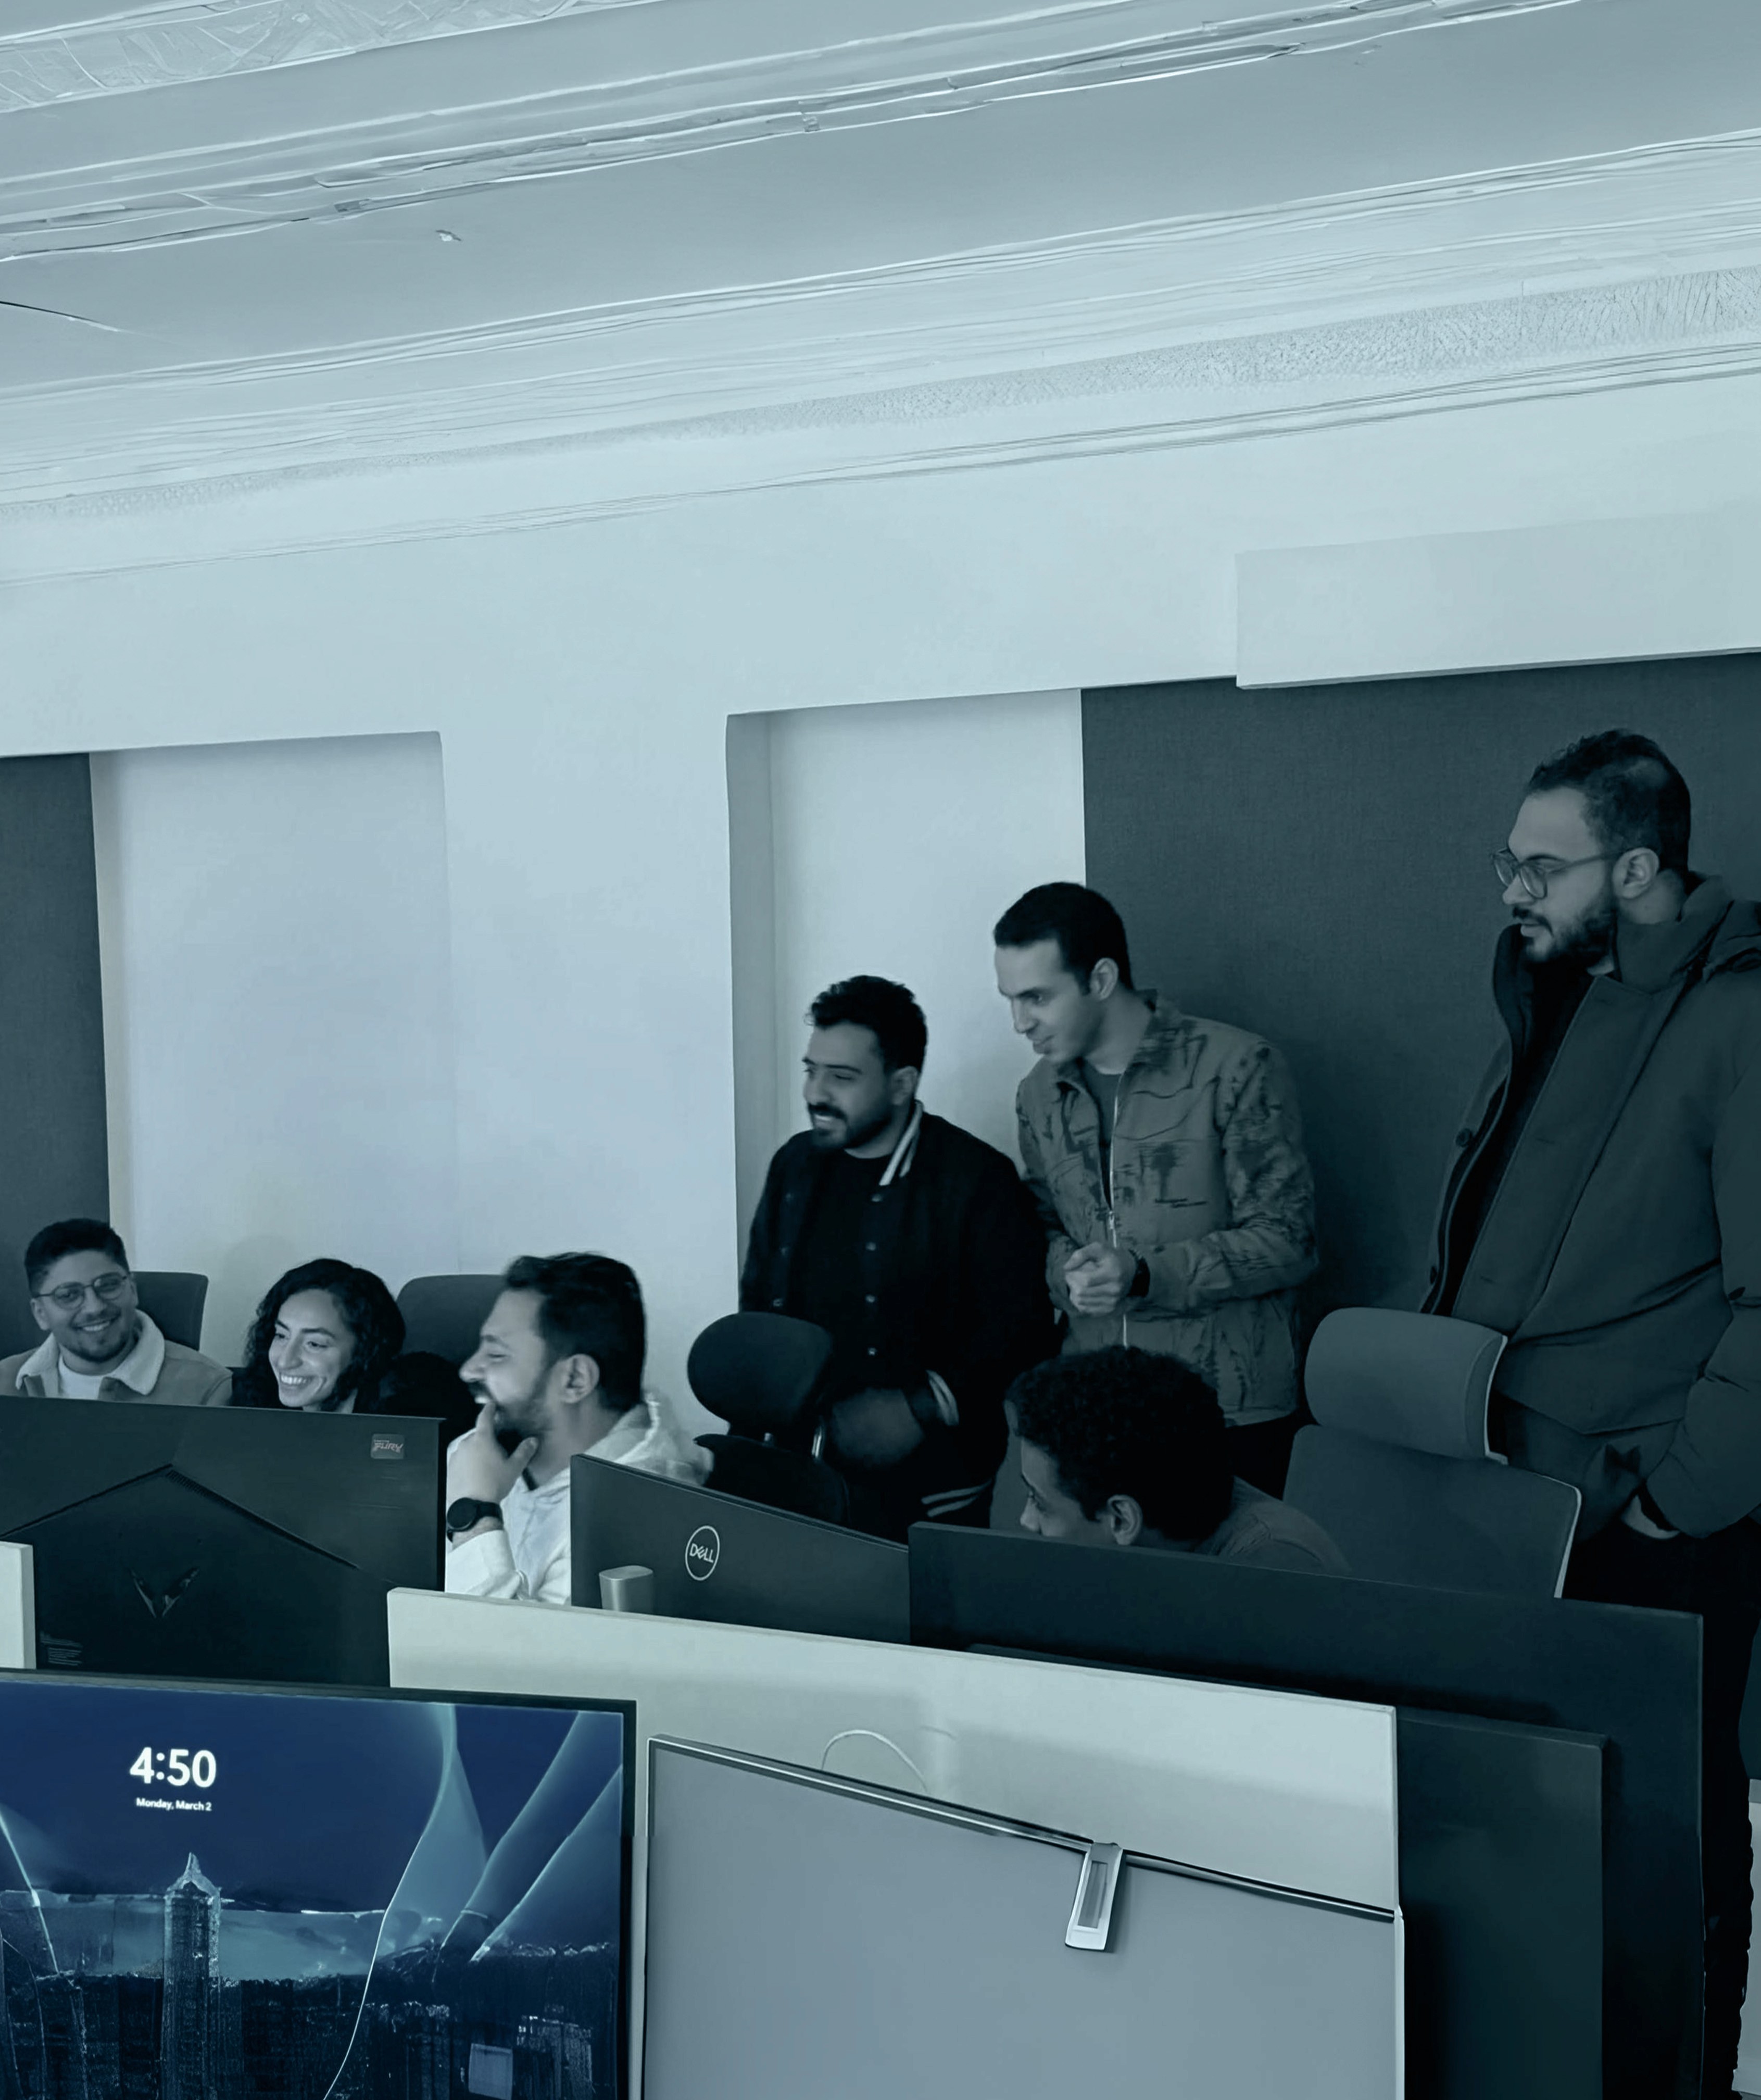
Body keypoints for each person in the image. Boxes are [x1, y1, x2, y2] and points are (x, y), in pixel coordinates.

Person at [1423, 729, 1761, 2100]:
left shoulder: (1738, 1015)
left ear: (1634, 866)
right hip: (1508, 1494)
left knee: (1668, 1849)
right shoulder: (1550, 993)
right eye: (1505, 858)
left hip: (1648, 1513)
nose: (1510, 888)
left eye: (1538, 864)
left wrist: (1678, 1496)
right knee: (1538, 1839)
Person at [996, 883, 1317, 1496]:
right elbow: (1039, 1225)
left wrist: (1143, 1274)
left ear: (1100, 979)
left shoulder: (1237, 1066)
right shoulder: (1037, 1093)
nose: (1019, 1022)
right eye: (1010, 1000)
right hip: (1096, 1409)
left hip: (1228, 1412)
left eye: (1036, 997)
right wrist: (1066, 1268)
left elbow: (1289, 1240)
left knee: (1227, 1592)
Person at [740, 975, 1055, 1541]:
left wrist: (919, 1407)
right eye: (811, 1070)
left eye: (841, 1077)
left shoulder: (974, 1179)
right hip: (796, 1469)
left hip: (930, 1487)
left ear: (901, 1083)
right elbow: (760, 1300)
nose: (815, 1093)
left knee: (913, 1626)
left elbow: (1023, 1330)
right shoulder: (795, 1164)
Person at [443, 1252, 702, 1605]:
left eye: (497, 1355)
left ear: (575, 1380)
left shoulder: (640, 1519)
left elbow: (510, 1657)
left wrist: (474, 1515)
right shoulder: (483, 1453)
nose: (469, 1370)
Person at [1011, 1344, 1347, 1574]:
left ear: (1121, 1519)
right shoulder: (1166, 1544)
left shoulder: (1270, 1568)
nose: (1027, 1520)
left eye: (1039, 1502)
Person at [229, 1256, 477, 1440]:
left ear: (365, 1351)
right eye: (281, 1336)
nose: (285, 1361)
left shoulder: (408, 1412)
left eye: (314, 1344)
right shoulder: (256, 1399)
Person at [1, 1218, 231, 1406]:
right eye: (69, 1295)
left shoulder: (207, 1388)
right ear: (40, 1313)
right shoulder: (5, 1383)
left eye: (108, 1285)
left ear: (132, 1289)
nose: (95, 1307)